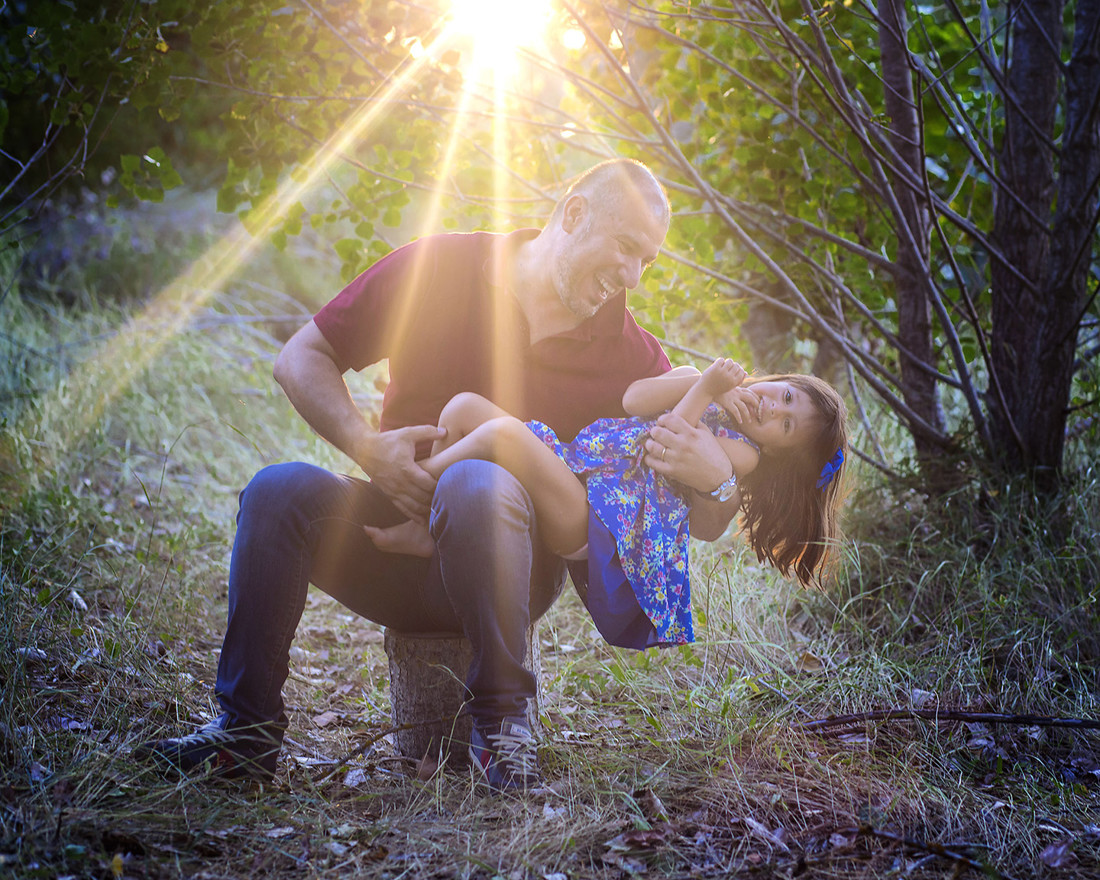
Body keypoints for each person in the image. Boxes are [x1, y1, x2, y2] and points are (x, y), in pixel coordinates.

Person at [135, 158, 743, 791]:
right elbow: (300, 358)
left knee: (476, 482)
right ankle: (243, 737)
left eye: (648, 261)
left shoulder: (632, 356)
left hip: (515, 569)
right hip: (390, 551)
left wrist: (720, 478)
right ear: (574, 213)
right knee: (276, 491)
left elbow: (695, 518)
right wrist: (367, 449)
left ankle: (503, 736)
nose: (633, 276)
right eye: (626, 248)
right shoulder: (438, 268)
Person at [366, 359, 848, 650]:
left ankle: (407, 489)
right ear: (782, 380)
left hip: (596, 521)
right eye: (786, 395)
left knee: (503, 435)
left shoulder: (742, 454)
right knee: (463, 409)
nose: (773, 408)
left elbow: (665, 443)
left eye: (786, 424)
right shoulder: (700, 381)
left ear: (779, 453)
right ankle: (430, 526)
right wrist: (700, 379)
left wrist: (705, 390)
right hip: (578, 469)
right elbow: (636, 398)